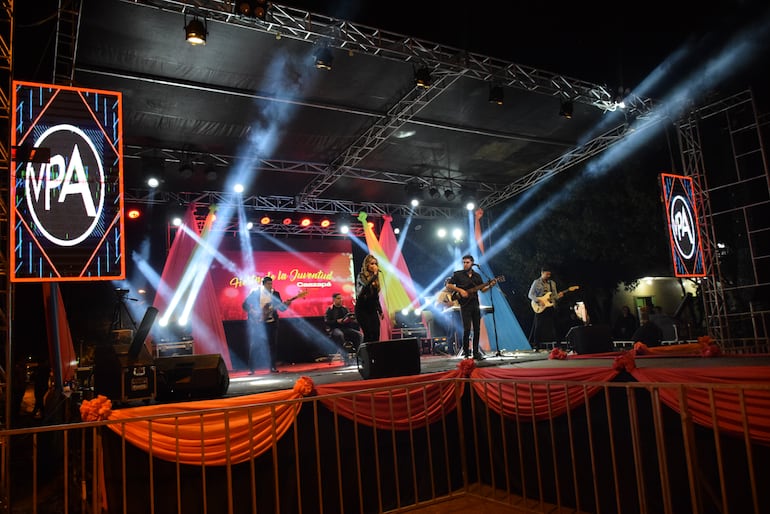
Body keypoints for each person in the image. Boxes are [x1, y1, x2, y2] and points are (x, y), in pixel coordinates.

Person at [242, 276, 298, 373]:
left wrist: (287, 304)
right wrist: (253, 312)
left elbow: (281, 309)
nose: (270, 286)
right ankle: (251, 369)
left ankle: (272, 367)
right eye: (268, 284)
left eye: (271, 284)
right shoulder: (256, 293)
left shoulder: (275, 294)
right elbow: (245, 305)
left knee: (272, 345)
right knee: (255, 345)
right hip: (258, 323)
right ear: (263, 284)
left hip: (272, 322)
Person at [446, 255, 493, 360]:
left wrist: (490, 285)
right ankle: (466, 353)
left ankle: (476, 353)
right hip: (464, 305)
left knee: (477, 329)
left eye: (467, 262)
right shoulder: (458, 274)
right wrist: (461, 290)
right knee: (466, 329)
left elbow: (482, 289)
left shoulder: (477, 276)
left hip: (475, 304)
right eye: (463, 262)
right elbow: (449, 285)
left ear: (472, 263)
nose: (465, 264)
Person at [527, 267, 562, 351]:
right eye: (547, 274)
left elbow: (554, 296)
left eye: (549, 274)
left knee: (556, 325)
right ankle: (536, 346)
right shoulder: (536, 282)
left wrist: (558, 296)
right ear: (542, 273)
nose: (548, 276)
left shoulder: (552, 283)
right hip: (540, 306)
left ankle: (558, 345)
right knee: (538, 326)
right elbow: (530, 295)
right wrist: (538, 300)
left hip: (550, 306)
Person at [355, 254, 384, 343]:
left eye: (375, 264)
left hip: (372, 309)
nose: (374, 266)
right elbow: (365, 286)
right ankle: (365, 355)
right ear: (367, 265)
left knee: (376, 333)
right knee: (368, 334)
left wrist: (380, 310)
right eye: (372, 264)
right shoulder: (361, 276)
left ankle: (375, 355)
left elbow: (376, 297)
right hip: (362, 309)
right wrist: (374, 275)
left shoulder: (375, 279)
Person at [325, 292, 363, 357]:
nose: (341, 300)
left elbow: (348, 319)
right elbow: (327, 322)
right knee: (340, 334)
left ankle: (359, 354)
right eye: (338, 298)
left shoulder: (344, 309)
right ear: (334, 299)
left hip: (345, 328)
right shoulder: (330, 309)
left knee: (359, 335)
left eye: (341, 298)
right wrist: (337, 321)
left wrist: (351, 319)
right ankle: (345, 356)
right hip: (335, 329)